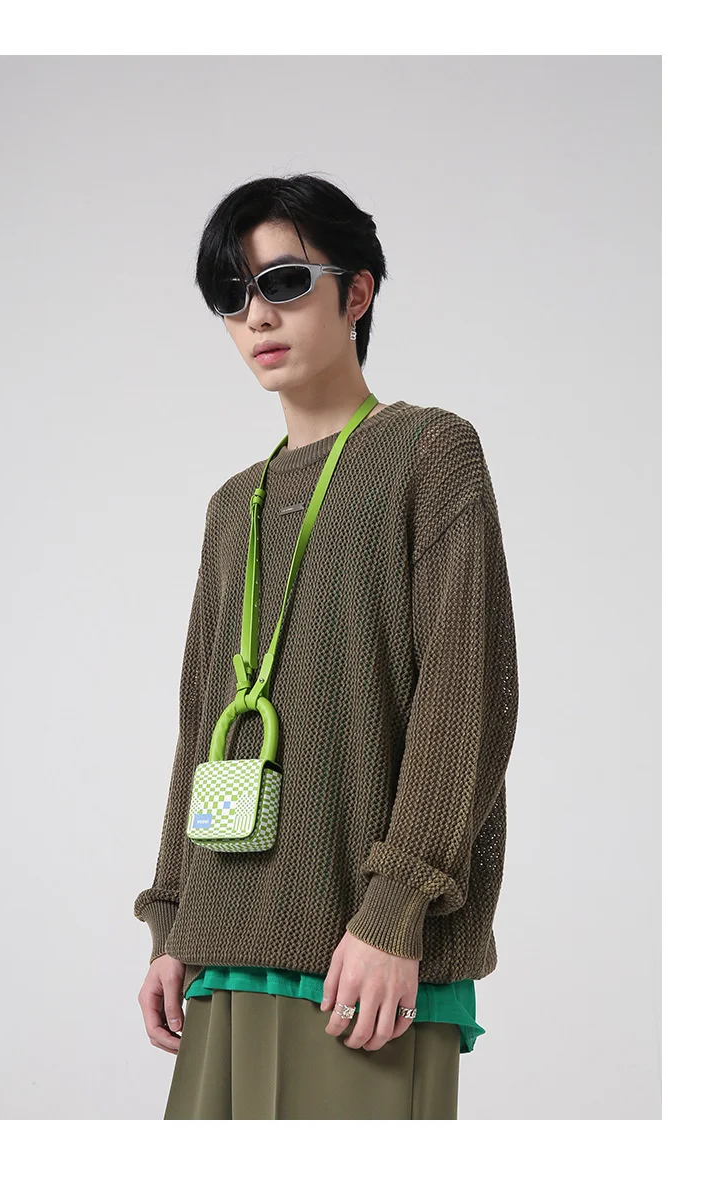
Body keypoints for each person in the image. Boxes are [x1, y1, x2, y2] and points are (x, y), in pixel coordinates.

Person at [133, 174, 519, 1119]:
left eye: (283, 282)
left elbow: (465, 699)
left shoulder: (429, 453)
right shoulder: (234, 505)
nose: (256, 316)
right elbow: (200, 723)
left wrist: (395, 911)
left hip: (365, 954)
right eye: (231, 296)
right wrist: (172, 919)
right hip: (220, 951)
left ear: (357, 292)